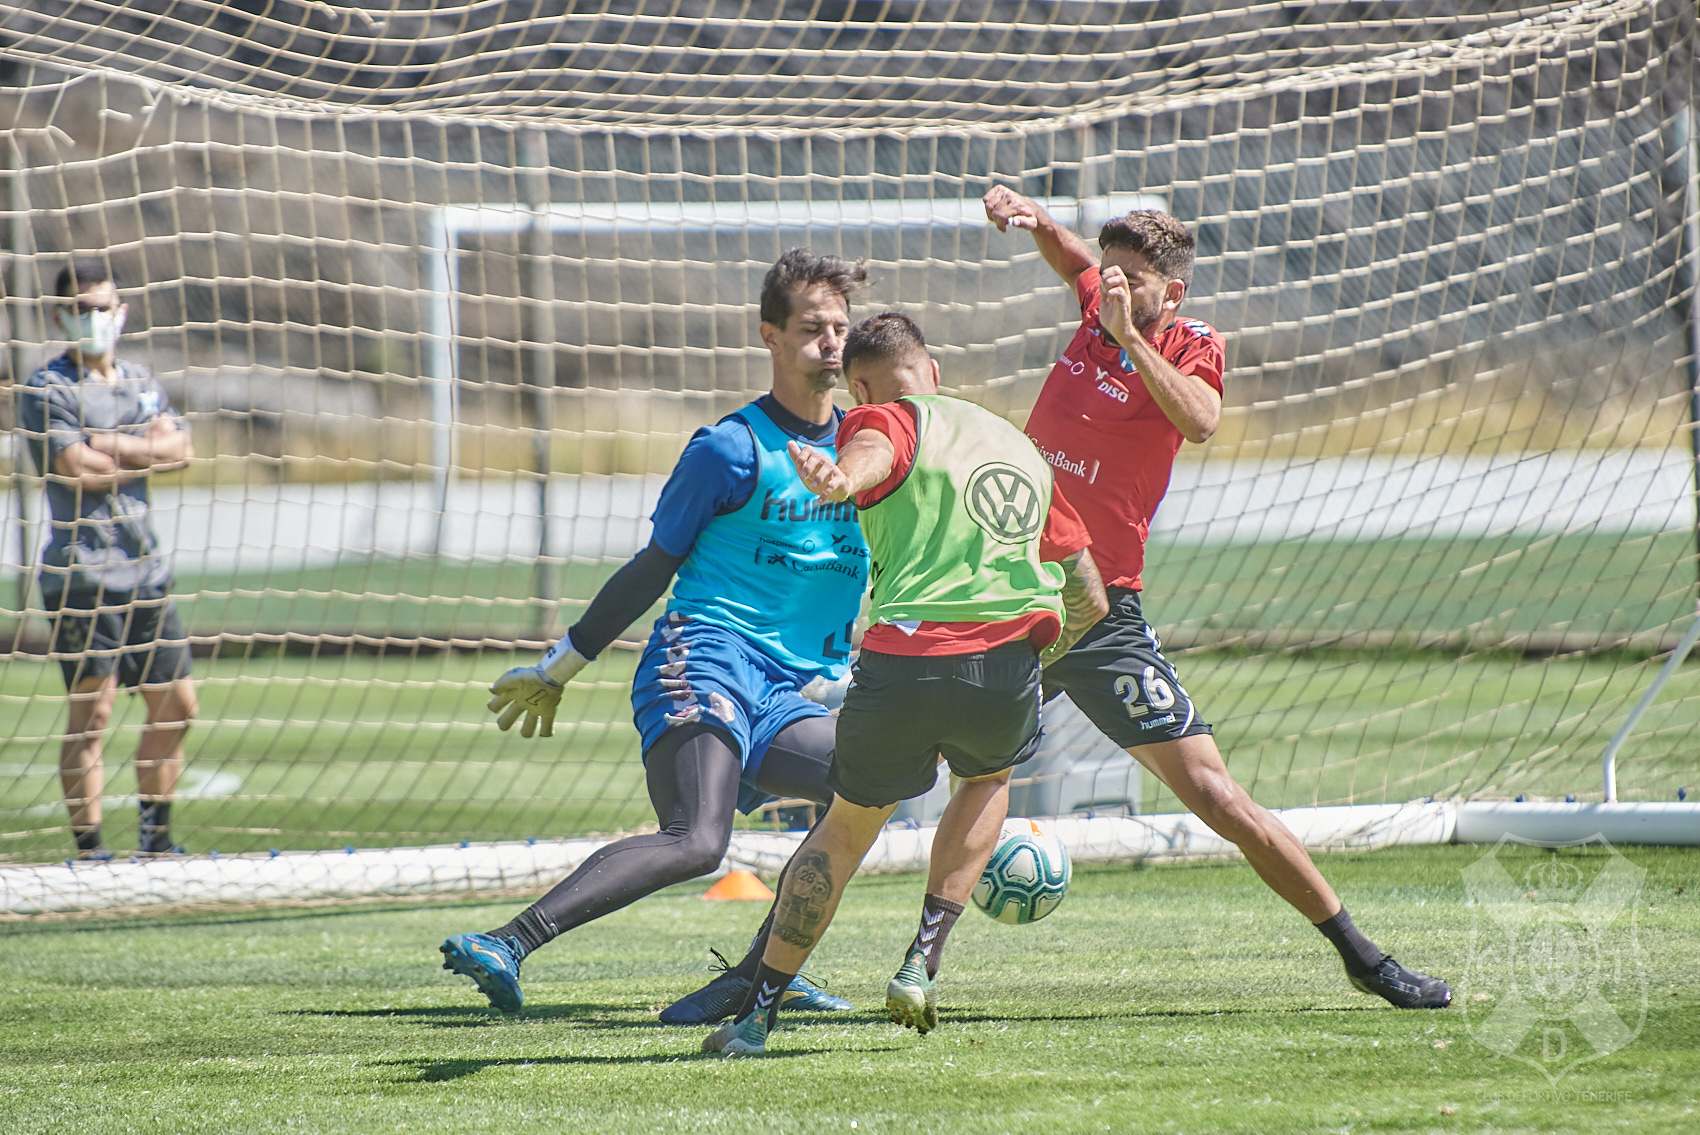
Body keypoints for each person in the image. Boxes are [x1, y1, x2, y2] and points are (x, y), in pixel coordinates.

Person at [980, 188, 1452, 1009]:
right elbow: (1070, 257)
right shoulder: (1098, 297)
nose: (1115, 289)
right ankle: (800, 969)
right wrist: (1035, 219)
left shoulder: (1190, 343)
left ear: (1174, 292)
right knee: (901, 773)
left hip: (1098, 613)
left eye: (1135, 280)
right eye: (1112, 275)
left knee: (1213, 793)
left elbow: (1201, 420)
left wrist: (1129, 338)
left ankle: (1363, 956)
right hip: (1004, 588)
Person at [441, 250, 872, 1017]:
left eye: (840, 327)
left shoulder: (865, 454)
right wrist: (561, 665)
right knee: (696, 840)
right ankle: (507, 940)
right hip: (705, 657)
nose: (832, 343)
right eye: (812, 329)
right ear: (769, 335)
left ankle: (759, 973)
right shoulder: (729, 449)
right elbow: (652, 568)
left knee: (870, 780)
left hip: (790, 690)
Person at [703, 312, 1109, 1056]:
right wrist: (1043, 655)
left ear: (860, 386)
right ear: (935, 370)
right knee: (986, 781)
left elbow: (869, 450)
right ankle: (921, 960)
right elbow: (1089, 591)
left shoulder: (879, 418)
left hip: (906, 656)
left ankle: (757, 1016)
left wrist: (838, 474)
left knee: (847, 827)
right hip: (1007, 659)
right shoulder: (1015, 444)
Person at [15, 259, 198, 861]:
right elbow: (78, 470)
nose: (97, 318)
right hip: (82, 572)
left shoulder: (142, 380)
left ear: (122, 311)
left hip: (147, 570)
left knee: (176, 706)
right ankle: (91, 851)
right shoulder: (47, 388)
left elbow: (182, 450)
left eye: (105, 307)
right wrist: (145, 448)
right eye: (84, 308)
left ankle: (157, 841)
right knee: (94, 710)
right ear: (62, 315)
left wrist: (111, 442)